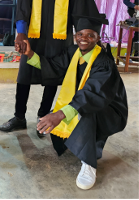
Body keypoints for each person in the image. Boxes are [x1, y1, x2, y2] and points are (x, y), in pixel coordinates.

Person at [0, 0, 99, 136]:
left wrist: (82, 37)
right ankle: (19, 116)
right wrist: (21, 33)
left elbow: (82, 6)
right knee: (24, 75)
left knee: (53, 74)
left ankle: (43, 116)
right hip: (33, 36)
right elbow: (23, 6)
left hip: (59, 36)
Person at [25, 14, 128, 190]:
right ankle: (77, 140)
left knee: (85, 111)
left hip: (109, 109)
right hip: (85, 100)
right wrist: (29, 54)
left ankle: (89, 163)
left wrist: (60, 114)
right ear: (75, 36)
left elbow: (93, 93)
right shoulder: (74, 52)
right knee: (70, 112)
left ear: (97, 37)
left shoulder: (104, 62)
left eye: (90, 35)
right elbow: (54, 66)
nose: (84, 38)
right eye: (80, 34)